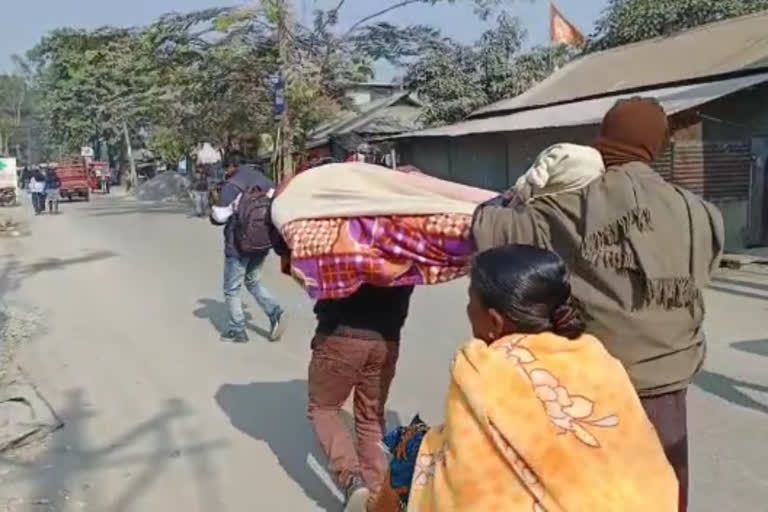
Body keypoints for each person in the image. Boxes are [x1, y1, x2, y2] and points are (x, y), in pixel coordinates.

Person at [471, 98, 724, 511]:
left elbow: (492, 230)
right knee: (663, 487)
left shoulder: (574, 202)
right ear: (655, 144)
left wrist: (513, 195)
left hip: (593, 384)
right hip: (669, 386)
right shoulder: (699, 211)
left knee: (591, 494)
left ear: (605, 137)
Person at [373, 245, 678, 512]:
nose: (467, 310)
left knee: (410, 449)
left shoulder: (484, 363)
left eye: (470, 301)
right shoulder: (595, 354)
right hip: (647, 501)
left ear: (494, 322)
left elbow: (464, 456)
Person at [308, 284, 414, 512]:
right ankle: (379, 494)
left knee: (323, 409)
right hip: (386, 340)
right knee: (370, 418)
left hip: (340, 333)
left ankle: (352, 481)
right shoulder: (407, 249)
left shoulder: (347, 249)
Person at [210, 152, 286, 343]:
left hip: (238, 245)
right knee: (252, 281)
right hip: (262, 242)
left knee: (232, 289)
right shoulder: (267, 182)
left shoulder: (232, 185)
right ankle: (275, 311)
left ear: (230, 167)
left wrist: (213, 211)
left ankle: (237, 330)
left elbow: (219, 217)